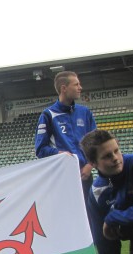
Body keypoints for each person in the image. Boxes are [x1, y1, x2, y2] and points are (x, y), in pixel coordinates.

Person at [35, 71, 96, 202]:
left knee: (88, 218)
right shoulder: (48, 115)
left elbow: (96, 145)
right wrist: (59, 154)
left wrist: (89, 166)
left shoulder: (85, 112)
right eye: (76, 84)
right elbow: (40, 150)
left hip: (84, 176)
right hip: (61, 178)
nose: (80, 87)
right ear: (64, 88)